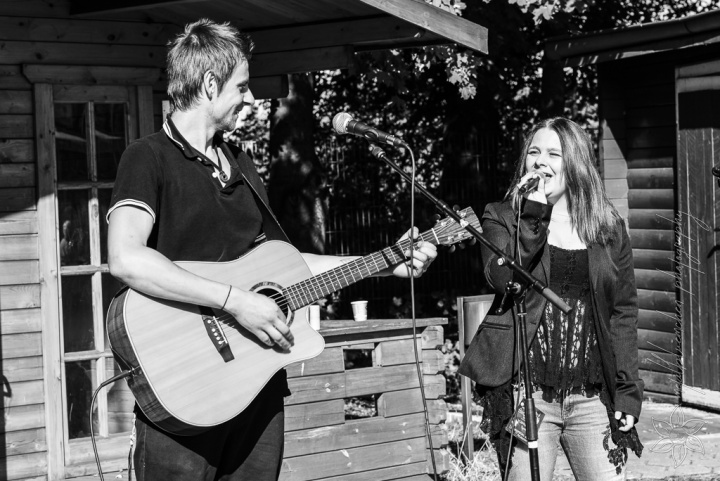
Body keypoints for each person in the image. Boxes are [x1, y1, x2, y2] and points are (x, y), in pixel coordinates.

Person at [106, 18, 437, 481]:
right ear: (210, 84)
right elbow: (125, 257)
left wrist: (388, 264)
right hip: (183, 387)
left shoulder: (240, 164)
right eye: (241, 86)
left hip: (256, 390)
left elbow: (289, 267)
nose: (249, 98)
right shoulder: (148, 157)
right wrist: (236, 302)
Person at [458, 117, 643, 480]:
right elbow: (503, 279)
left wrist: (627, 391)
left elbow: (623, 312)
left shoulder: (607, 226)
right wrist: (533, 216)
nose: (540, 161)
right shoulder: (502, 217)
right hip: (527, 395)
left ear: (575, 163)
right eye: (534, 152)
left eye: (553, 154)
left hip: (591, 398)